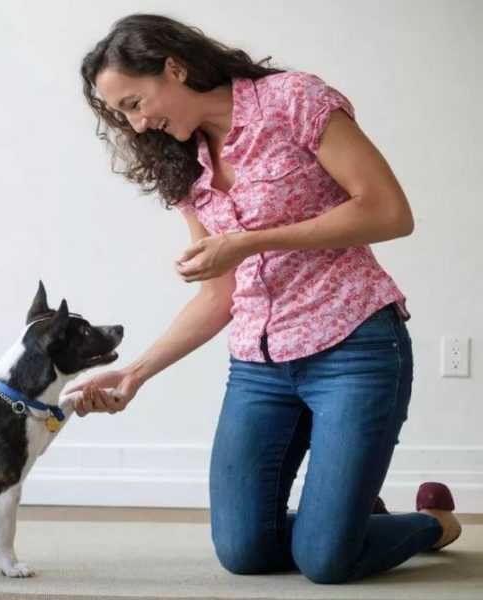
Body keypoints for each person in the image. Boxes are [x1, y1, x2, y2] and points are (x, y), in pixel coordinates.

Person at [68, 13, 462, 584]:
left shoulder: (293, 101)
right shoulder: (183, 164)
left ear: (173, 68)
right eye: (122, 114)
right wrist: (136, 373)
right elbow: (219, 292)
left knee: (326, 561)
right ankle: (342, 515)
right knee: (245, 552)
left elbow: (388, 211)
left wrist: (250, 242)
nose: (136, 121)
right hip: (259, 369)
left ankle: (432, 523)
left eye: (134, 101)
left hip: (354, 347)